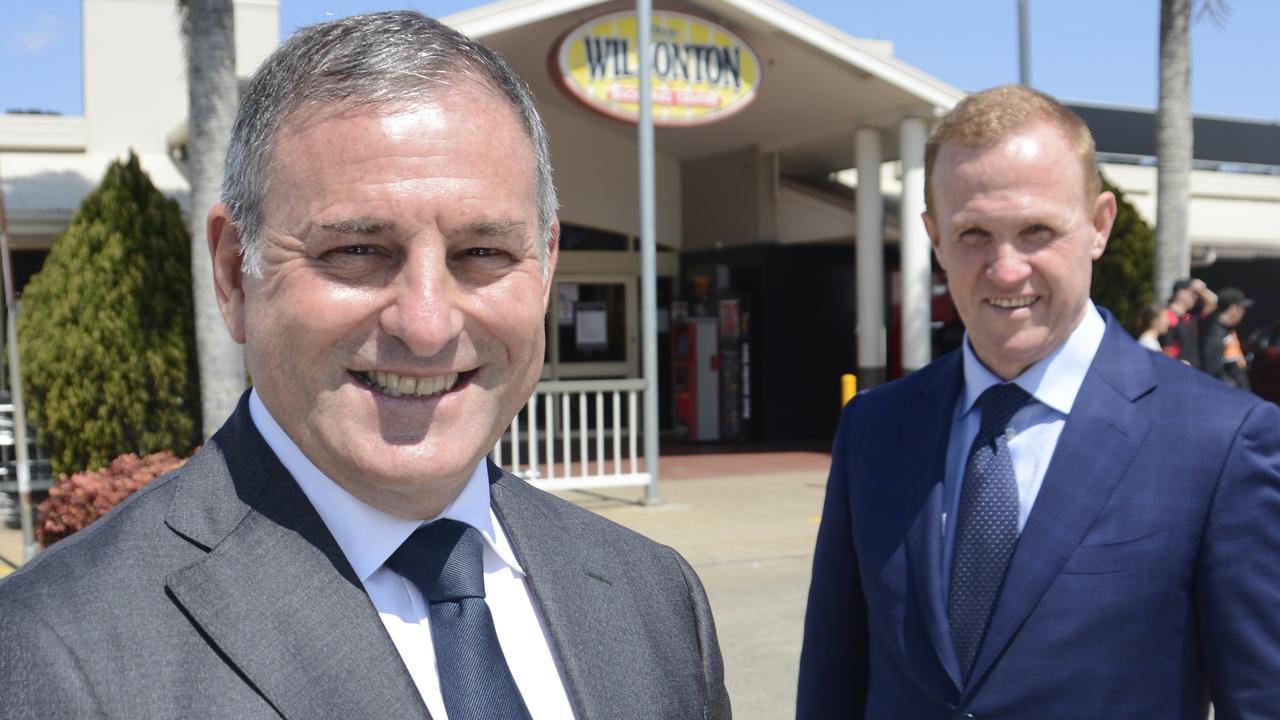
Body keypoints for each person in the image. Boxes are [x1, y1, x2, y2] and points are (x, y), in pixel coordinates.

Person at [0, 12, 730, 719]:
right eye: (356, 251)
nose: (425, 323)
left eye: (483, 254)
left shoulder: (654, 597)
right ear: (233, 274)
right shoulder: (55, 654)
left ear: (544, 270)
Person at [797, 85, 1280, 719]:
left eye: (1036, 230)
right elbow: (833, 681)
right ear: (935, 238)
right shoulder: (875, 428)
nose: (1005, 269)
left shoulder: (1220, 441)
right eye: (973, 233)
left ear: (1099, 226)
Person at [1202, 286, 1254, 390]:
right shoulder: (1215, 333)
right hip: (1226, 394)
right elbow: (1212, 370)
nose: (1243, 312)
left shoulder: (1225, 330)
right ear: (1233, 308)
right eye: (1241, 308)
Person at [1160, 277, 1218, 368]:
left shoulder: (1190, 317)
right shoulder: (1166, 317)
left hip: (1193, 371)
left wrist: (1201, 289)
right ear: (1180, 293)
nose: (1195, 297)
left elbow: (1213, 302)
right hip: (1177, 371)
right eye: (1192, 293)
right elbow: (1166, 351)